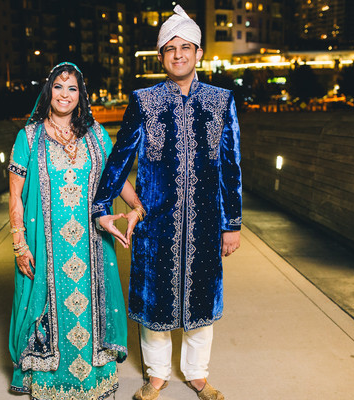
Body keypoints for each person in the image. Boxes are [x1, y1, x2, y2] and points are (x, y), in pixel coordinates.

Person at [92, 6, 242, 400]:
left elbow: (231, 166)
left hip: (207, 222)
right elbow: (120, 157)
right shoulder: (144, 101)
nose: (178, 55)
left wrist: (233, 223)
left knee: (201, 302)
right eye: (170, 48)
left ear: (198, 53)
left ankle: (197, 374)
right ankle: (156, 375)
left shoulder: (221, 101)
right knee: (155, 304)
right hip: (155, 222)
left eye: (186, 47)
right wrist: (100, 207)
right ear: (161, 57)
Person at [8, 62, 136, 400]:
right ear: (49, 90)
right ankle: (52, 381)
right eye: (59, 87)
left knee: (94, 304)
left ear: (81, 95)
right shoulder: (29, 137)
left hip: (92, 239)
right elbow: (16, 197)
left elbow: (116, 178)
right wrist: (19, 243)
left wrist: (136, 205)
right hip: (48, 243)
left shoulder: (95, 134)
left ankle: (94, 378)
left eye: (72, 88)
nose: (65, 95)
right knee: (48, 306)